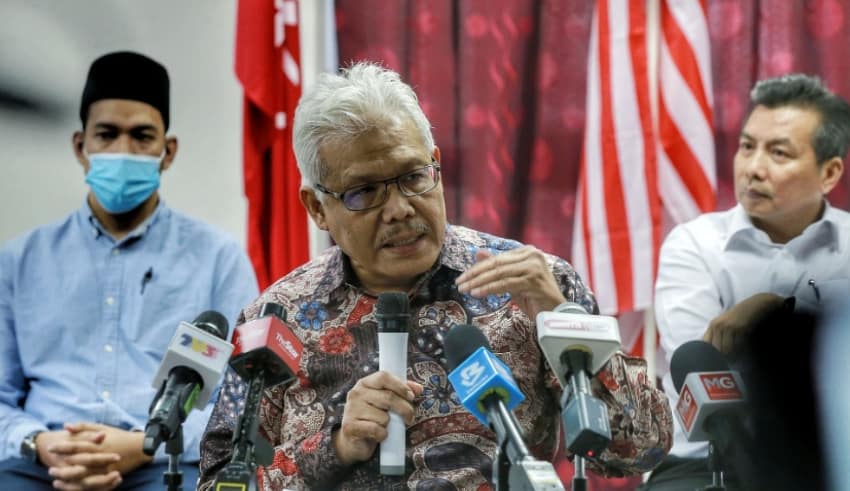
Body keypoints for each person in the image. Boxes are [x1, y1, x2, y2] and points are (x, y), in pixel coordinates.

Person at [197, 62, 672, 490]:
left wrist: (560, 325)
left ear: (437, 166)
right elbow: (218, 483)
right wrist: (334, 446)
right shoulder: (276, 317)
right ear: (317, 208)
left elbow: (643, 448)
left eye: (413, 177)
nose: (401, 210)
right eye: (365, 192)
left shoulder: (532, 284)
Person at [0, 51, 258, 490]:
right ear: (81, 147)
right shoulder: (20, 261)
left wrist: (144, 444)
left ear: (167, 151)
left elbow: (240, 400)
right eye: (107, 134)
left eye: (141, 136)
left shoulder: (218, 260)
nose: (123, 150)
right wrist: (39, 442)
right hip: (43, 468)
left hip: (166, 465)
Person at [646, 73, 850, 490]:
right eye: (746, 147)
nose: (753, 168)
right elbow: (698, 364)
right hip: (707, 460)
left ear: (829, 173)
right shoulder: (695, 243)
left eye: (779, 153)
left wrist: (779, 306)